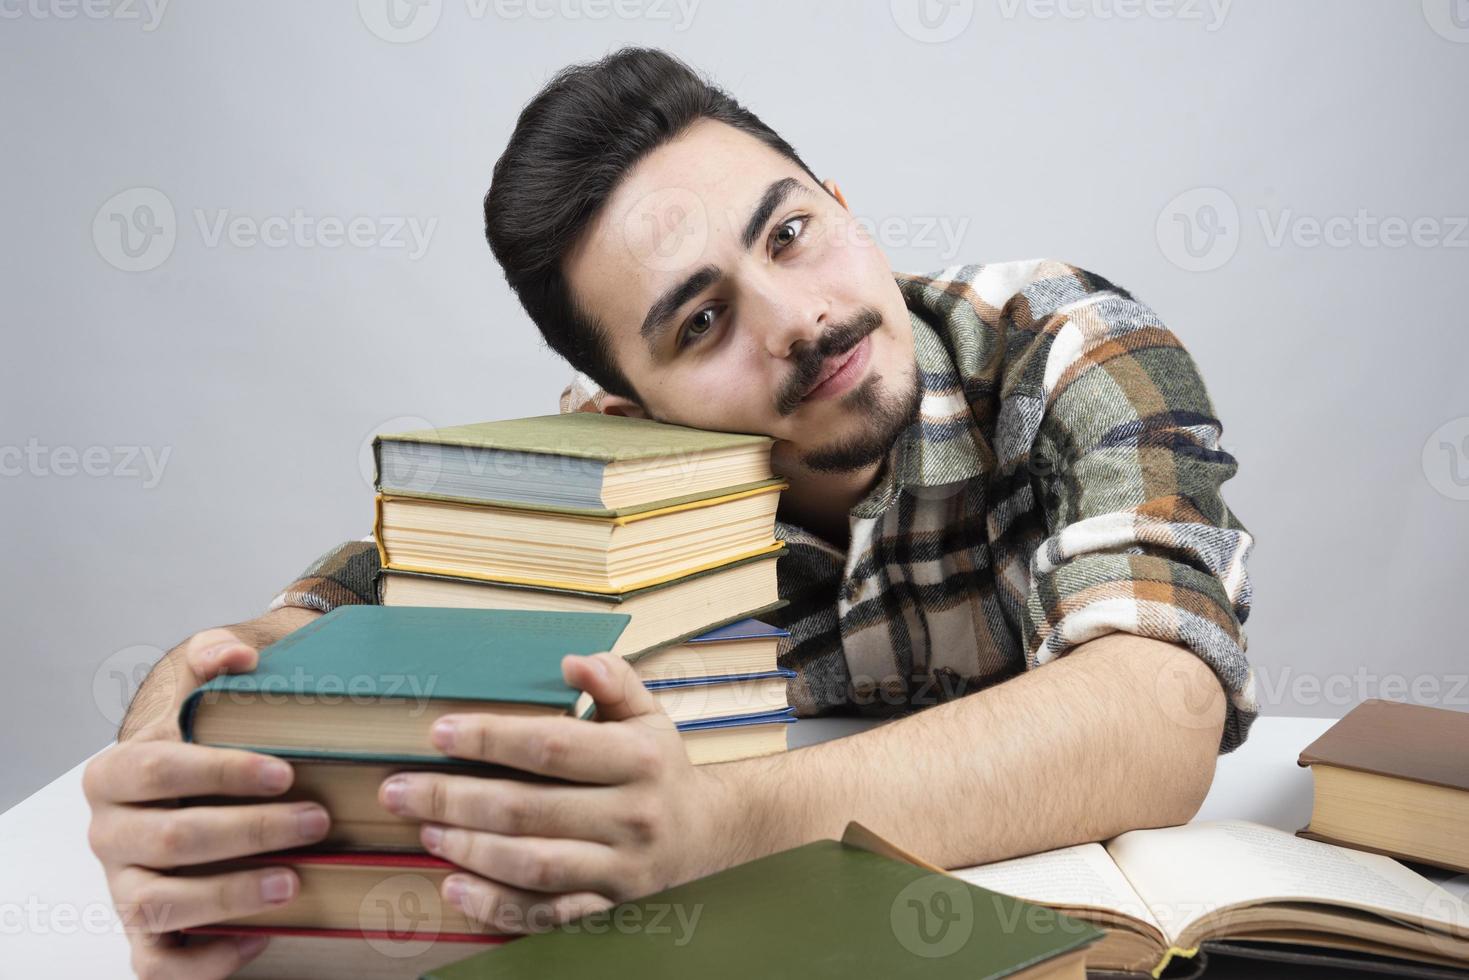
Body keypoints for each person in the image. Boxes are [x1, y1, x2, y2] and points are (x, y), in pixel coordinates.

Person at [85, 46, 1256, 978]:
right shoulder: (621, 490)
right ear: (623, 408)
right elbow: (342, 603)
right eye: (699, 324)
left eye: (789, 233)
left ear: (843, 205)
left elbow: (1156, 706)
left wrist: (714, 826)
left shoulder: (1063, 342)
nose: (796, 319)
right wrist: (178, 730)